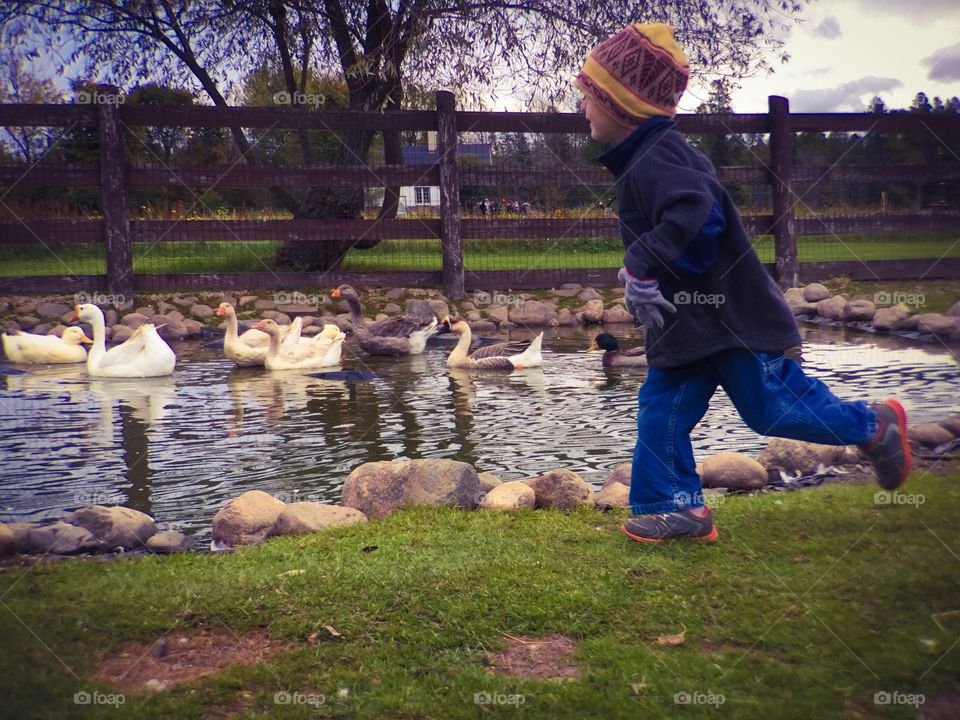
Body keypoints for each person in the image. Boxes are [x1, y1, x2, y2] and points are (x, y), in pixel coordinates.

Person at [575, 23, 911, 543]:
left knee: (771, 408)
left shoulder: (659, 154)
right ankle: (676, 508)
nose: (583, 106)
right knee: (662, 409)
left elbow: (700, 219)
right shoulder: (642, 157)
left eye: (590, 95)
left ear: (624, 105)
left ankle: (875, 426)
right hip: (687, 327)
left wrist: (641, 260)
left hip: (733, 321)